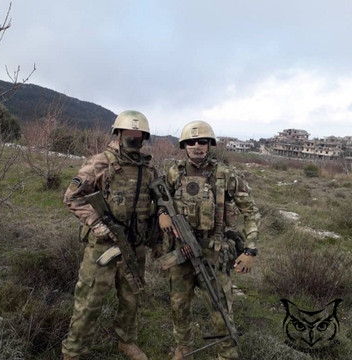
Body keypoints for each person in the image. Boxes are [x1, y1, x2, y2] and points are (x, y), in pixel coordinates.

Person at [158, 121, 260, 360]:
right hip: (181, 249)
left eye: (202, 141)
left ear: (209, 145)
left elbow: (251, 211)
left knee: (220, 309)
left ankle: (227, 354)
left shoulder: (225, 174)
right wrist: (162, 213)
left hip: (214, 251)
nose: (197, 146)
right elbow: (161, 199)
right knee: (178, 306)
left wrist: (250, 250)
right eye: (191, 142)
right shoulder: (174, 172)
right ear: (184, 145)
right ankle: (183, 350)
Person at [62, 110, 157, 360]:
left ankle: (126, 342)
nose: (135, 137)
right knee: (89, 301)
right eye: (130, 132)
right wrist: (95, 222)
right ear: (119, 133)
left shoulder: (147, 168)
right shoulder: (100, 163)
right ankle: (74, 352)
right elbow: (71, 196)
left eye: (140, 134)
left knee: (131, 300)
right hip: (103, 247)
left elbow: (154, 206)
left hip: (134, 248)